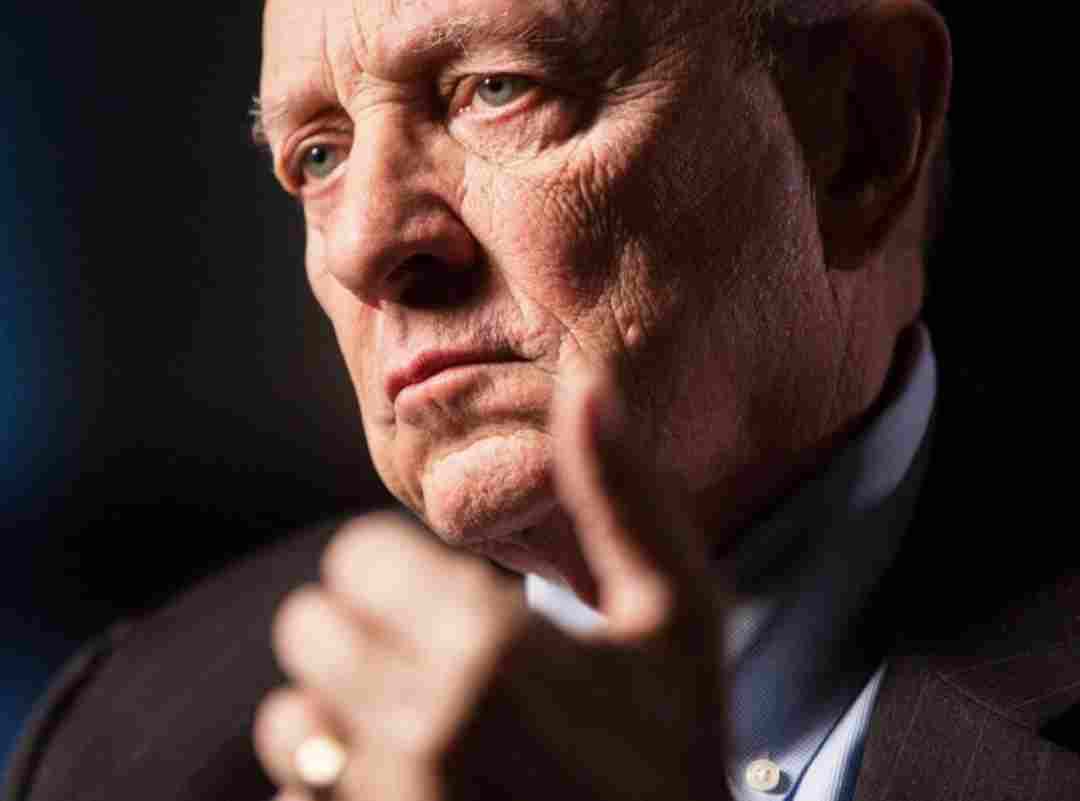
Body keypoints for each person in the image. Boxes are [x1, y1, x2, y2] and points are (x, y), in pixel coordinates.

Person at [4, 1, 1078, 800]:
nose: (367, 242)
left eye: (496, 89)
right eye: (319, 155)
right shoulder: (134, 740)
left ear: (859, 135)